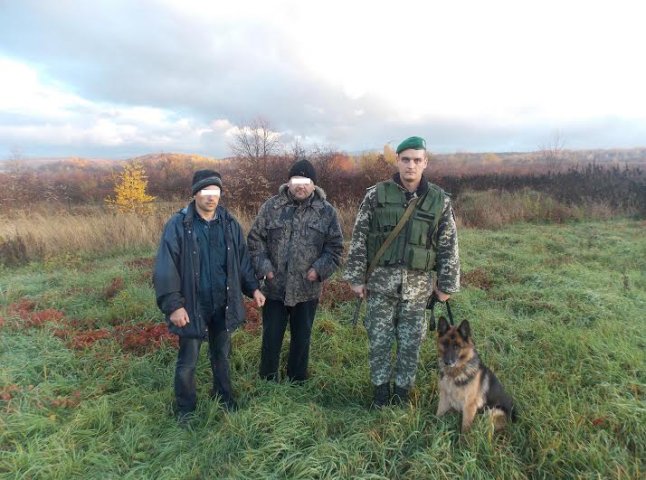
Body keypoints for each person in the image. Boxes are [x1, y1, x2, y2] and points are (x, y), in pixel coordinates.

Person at [344, 136, 460, 408]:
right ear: (397, 161)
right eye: (405, 159)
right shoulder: (375, 195)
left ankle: (402, 393)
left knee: (410, 345)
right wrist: (356, 278)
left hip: (418, 290)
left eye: (417, 160)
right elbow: (359, 236)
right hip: (380, 287)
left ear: (425, 162)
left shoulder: (439, 201)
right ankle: (381, 394)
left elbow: (449, 244)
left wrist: (446, 286)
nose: (411, 166)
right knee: (379, 342)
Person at [153, 169, 265, 424]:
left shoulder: (230, 224)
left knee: (221, 355)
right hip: (192, 305)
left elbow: (242, 261)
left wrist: (254, 288)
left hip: (223, 303)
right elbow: (165, 268)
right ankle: (185, 409)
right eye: (205, 191)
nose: (211, 197)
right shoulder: (178, 226)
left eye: (216, 191)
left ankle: (224, 396)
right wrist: (174, 305)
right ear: (195, 195)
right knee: (188, 361)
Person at [247, 159, 344, 383]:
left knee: (302, 339)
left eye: (306, 182)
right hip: (274, 289)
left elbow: (335, 247)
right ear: (288, 182)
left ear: (314, 185)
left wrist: (318, 270)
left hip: (307, 290)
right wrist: (265, 269)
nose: (301, 186)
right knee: (271, 338)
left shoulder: (326, 212)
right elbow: (255, 242)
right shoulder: (271, 207)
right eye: (296, 181)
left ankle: (297, 381)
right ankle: (267, 380)